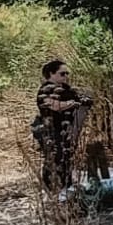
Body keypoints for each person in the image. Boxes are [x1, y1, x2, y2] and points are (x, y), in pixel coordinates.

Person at [35, 59, 89, 190]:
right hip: (51, 130)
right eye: (62, 74)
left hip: (67, 129)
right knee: (55, 159)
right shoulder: (45, 90)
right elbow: (55, 106)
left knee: (66, 159)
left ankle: (66, 186)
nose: (66, 76)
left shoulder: (66, 89)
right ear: (51, 74)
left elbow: (82, 100)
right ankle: (53, 188)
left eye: (67, 73)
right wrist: (72, 103)